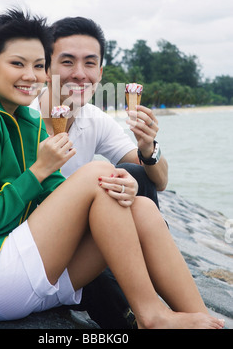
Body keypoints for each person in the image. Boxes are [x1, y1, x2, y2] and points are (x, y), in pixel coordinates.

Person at [0, 8, 224, 329]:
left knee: (140, 205)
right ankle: (150, 315)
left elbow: (60, 193)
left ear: (100, 70)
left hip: (31, 269)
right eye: (17, 63)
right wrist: (38, 172)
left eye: (37, 65)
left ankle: (202, 317)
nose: (30, 75)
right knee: (94, 174)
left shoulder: (27, 122)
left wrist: (125, 178)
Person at [30, 16, 168, 327]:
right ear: (45, 68)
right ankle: (133, 315)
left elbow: (157, 182)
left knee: (136, 173)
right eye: (67, 62)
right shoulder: (22, 119)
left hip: (91, 239)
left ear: (100, 73)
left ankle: (148, 300)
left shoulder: (94, 118)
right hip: (40, 248)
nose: (79, 74)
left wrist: (149, 147)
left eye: (90, 63)